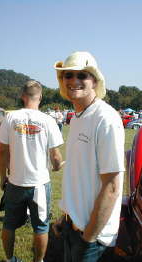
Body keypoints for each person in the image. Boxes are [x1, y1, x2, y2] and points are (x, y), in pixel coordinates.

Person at [53, 51, 125, 262]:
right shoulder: (76, 118)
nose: (74, 80)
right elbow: (79, 176)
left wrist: (88, 239)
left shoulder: (106, 118)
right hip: (72, 228)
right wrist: (66, 215)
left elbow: (112, 187)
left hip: (92, 237)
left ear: (94, 80)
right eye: (68, 75)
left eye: (82, 75)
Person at [0, 80, 64, 262]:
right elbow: (56, 156)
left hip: (15, 181)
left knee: (9, 224)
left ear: (22, 96)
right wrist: (57, 166)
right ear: (40, 97)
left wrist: (3, 177)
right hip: (39, 184)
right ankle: (38, 260)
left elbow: (2, 150)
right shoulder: (48, 120)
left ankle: (10, 259)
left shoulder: (10, 117)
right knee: (41, 227)